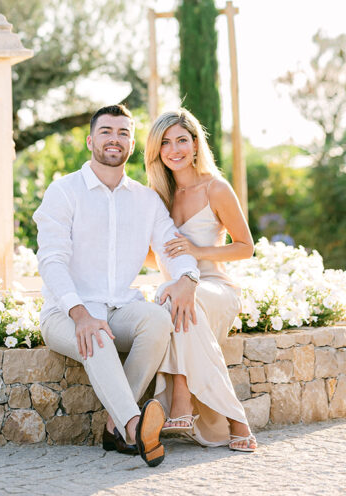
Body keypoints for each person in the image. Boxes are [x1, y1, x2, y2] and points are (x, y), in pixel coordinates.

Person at [34, 103, 202, 467]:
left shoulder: (145, 199)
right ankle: (134, 425)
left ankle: (113, 424)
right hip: (66, 313)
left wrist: (188, 277)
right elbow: (51, 259)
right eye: (107, 132)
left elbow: (172, 246)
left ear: (132, 143)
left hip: (119, 307)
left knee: (157, 320)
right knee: (95, 334)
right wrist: (80, 315)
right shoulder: (64, 191)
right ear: (91, 140)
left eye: (123, 133)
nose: (115, 139)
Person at [144, 108, 258, 452]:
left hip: (215, 288)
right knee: (170, 295)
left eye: (181, 140)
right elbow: (155, 255)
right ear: (156, 150)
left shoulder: (215, 188)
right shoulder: (157, 196)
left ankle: (181, 398)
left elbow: (246, 247)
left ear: (195, 144)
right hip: (177, 290)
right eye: (165, 142)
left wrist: (197, 251)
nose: (174, 149)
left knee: (177, 297)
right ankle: (237, 422)